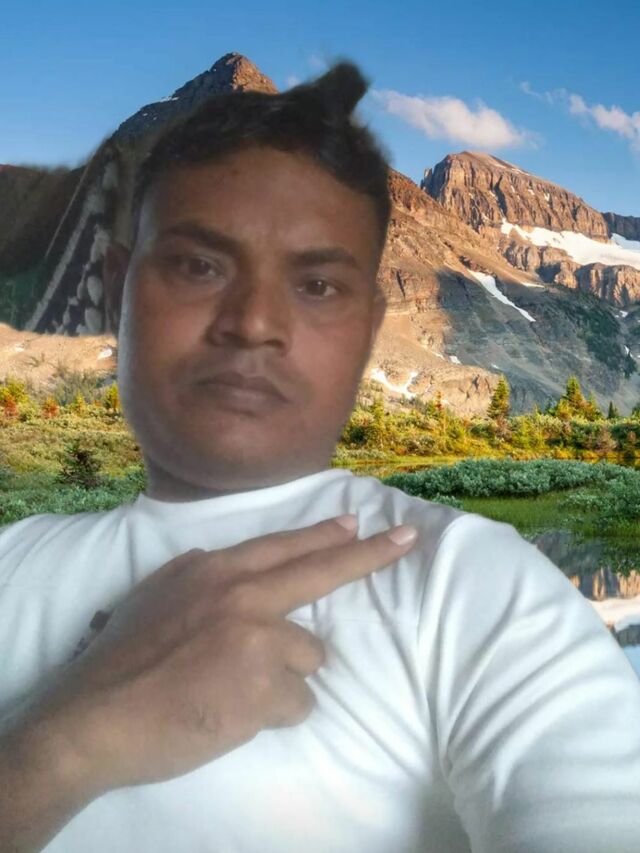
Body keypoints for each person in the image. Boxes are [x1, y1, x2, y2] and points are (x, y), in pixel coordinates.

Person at [0, 63, 639, 853]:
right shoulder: (11, 560)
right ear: (117, 287)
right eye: (200, 266)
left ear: (369, 326)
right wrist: (67, 740)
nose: (253, 322)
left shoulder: (476, 587)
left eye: (316, 285)